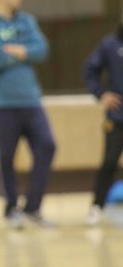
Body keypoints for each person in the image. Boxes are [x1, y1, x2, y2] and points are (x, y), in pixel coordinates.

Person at [0, 0, 56, 229]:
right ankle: (11, 208)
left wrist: (13, 49)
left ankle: (33, 207)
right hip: (2, 101)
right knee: (7, 156)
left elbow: (41, 50)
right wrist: (23, 52)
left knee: (47, 146)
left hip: (30, 99)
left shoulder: (26, 21)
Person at [84, 19, 123, 226]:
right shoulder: (109, 44)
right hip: (117, 117)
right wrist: (102, 94)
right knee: (109, 162)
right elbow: (90, 70)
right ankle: (97, 206)